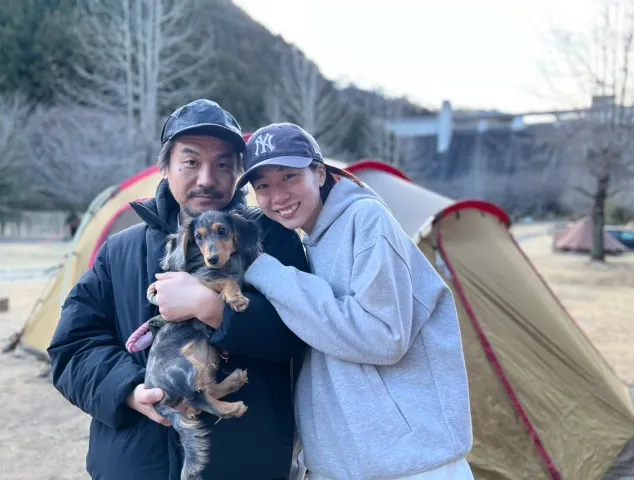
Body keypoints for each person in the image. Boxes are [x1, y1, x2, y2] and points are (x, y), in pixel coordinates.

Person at [47, 101, 309, 480]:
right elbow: (73, 346)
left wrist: (215, 310)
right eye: (190, 162)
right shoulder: (120, 251)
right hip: (135, 465)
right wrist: (129, 389)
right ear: (166, 167)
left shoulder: (270, 239)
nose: (206, 178)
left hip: (244, 463)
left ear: (238, 174)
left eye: (223, 165)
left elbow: (301, 334)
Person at [237, 123, 475, 480]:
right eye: (263, 186)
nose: (278, 196)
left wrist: (267, 272)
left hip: (413, 466)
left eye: (289, 176)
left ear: (319, 173)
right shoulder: (304, 243)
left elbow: (383, 336)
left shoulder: (366, 219)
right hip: (345, 467)